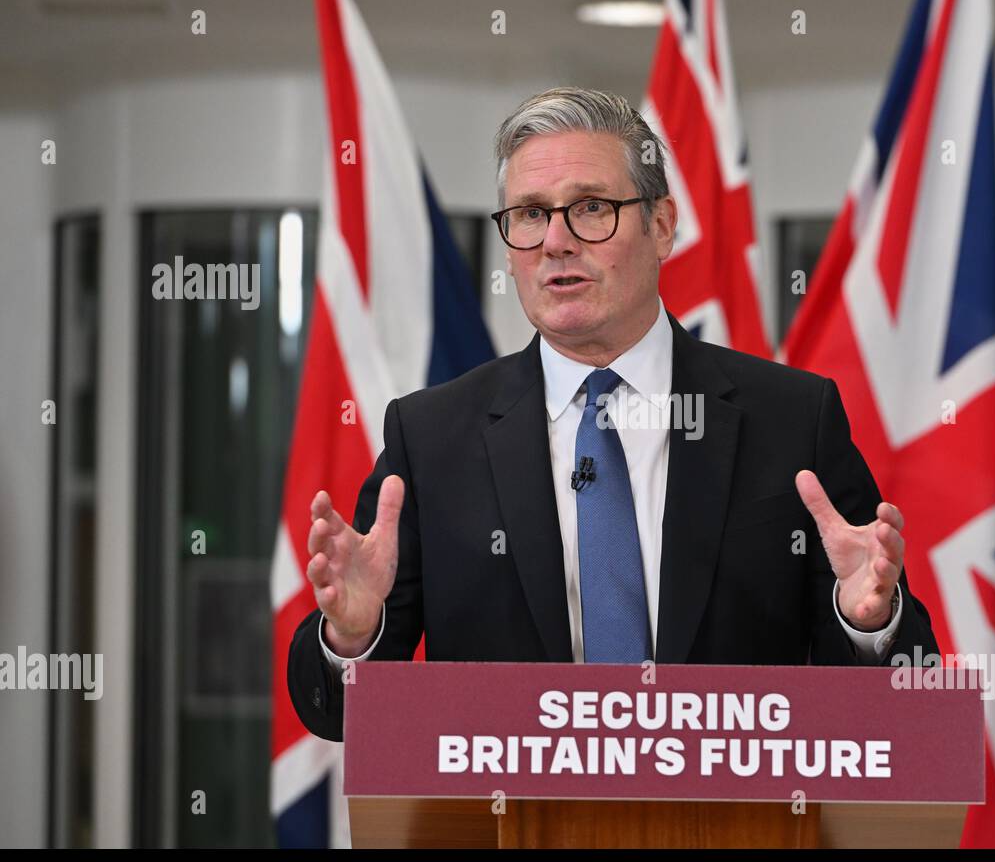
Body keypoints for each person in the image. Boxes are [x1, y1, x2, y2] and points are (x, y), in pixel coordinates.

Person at [288, 87, 938, 741]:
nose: (557, 242)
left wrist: (868, 626)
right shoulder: (431, 439)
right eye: (530, 214)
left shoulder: (794, 420)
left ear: (661, 225)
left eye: (591, 208)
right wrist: (354, 635)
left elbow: (909, 696)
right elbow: (338, 715)